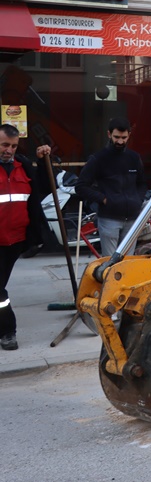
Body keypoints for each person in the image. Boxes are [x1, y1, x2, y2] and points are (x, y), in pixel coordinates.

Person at [0, 124, 51, 351]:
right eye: (4, 145)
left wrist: (43, 162)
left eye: (12, 145)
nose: (8, 150)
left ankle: (7, 331)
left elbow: (44, 188)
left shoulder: (24, 167)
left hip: (15, 241)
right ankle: (8, 331)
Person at [75, 118, 147, 256]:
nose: (120, 141)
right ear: (109, 134)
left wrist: (137, 199)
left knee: (126, 266)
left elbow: (142, 183)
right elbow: (81, 186)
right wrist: (103, 199)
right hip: (109, 218)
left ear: (129, 135)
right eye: (116, 137)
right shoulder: (98, 159)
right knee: (109, 265)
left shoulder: (134, 158)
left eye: (124, 137)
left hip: (132, 217)